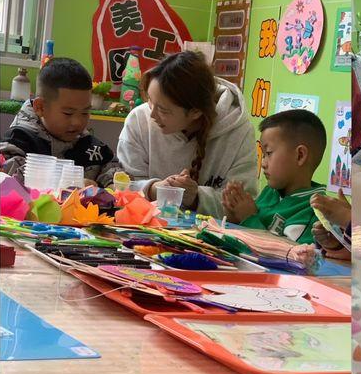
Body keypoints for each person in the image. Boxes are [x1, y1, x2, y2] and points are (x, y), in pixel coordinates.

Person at [117, 50, 257, 217]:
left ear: (195, 112)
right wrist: (154, 189)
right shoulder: (139, 120)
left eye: (163, 110)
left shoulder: (238, 131)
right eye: (150, 101)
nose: (152, 115)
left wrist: (197, 198)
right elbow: (121, 188)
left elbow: (244, 207)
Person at [0, 57, 121, 187]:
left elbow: (116, 175)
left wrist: (114, 186)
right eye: (68, 113)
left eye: (85, 113)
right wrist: (71, 184)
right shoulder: (17, 142)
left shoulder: (91, 146)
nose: (77, 122)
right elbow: (8, 181)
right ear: (40, 107)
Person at [222, 109, 327, 244]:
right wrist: (233, 215)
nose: (263, 163)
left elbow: (289, 253)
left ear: (300, 155)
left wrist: (248, 218)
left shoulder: (315, 209)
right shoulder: (270, 192)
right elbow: (241, 238)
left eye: (269, 153)